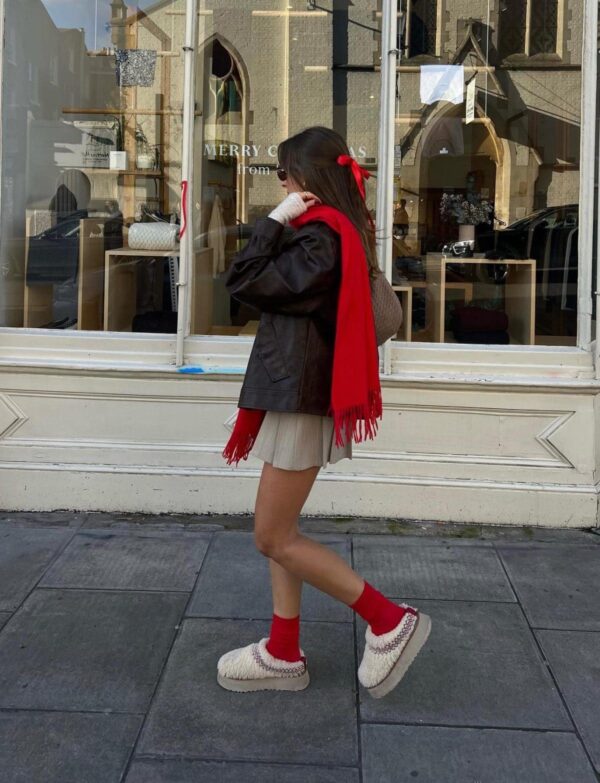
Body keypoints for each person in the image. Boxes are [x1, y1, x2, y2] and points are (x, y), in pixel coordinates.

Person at [217, 126, 431, 699]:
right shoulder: (334, 234)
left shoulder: (322, 241)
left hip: (300, 398)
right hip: (297, 394)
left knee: (271, 537)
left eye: (283, 175)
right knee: (282, 531)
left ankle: (388, 620)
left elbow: (239, 281)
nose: (280, 185)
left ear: (306, 180)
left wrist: (274, 219)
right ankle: (283, 653)